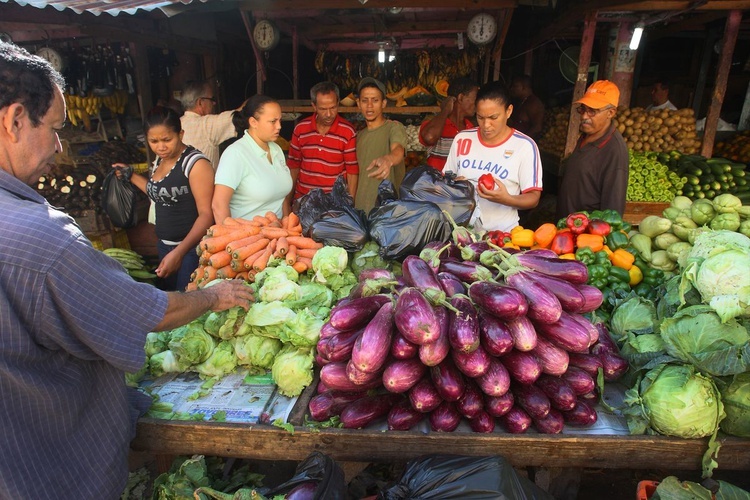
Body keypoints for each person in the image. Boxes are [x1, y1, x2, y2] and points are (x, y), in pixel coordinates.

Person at [0, 41, 254, 499]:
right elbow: (143, 313)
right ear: (15, 120)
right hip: (48, 471)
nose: (59, 145)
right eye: (55, 128)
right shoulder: (43, 239)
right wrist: (212, 296)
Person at [113, 107, 214, 291]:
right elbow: (158, 194)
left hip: (191, 250)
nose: (161, 147)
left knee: (186, 305)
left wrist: (179, 253)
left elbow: (206, 215)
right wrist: (131, 175)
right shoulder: (160, 161)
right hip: (165, 247)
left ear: (181, 134)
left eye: (167, 140)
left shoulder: (195, 164)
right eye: (154, 141)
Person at [444, 81, 543, 232]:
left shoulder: (524, 146)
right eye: (480, 117)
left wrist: (505, 199)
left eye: (493, 117)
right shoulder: (462, 139)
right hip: (462, 233)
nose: (486, 125)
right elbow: (445, 181)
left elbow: (533, 198)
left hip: (502, 236)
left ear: (509, 111)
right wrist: (456, 186)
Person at [212, 95, 292, 223]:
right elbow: (218, 205)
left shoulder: (276, 150)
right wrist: (231, 237)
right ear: (253, 122)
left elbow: (282, 197)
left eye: (280, 121)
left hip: (277, 235)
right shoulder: (235, 154)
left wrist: (288, 227)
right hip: (247, 238)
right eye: (273, 121)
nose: (279, 126)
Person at [556, 80, 629, 219]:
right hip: (567, 228)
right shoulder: (587, 135)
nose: (584, 116)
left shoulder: (614, 151)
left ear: (611, 112)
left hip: (585, 234)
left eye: (592, 111)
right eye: (583, 109)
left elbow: (613, 210)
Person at [287, 81, 358, 200]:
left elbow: (352, 172)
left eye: (333, 107)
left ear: (338, 103)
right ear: (314, 106)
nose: (329, 114)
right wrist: (287, 204)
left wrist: (350, 207)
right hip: (303, 200)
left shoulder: (348, 132)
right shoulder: (301, 129)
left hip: (333, 204)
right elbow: (293, 167)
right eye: (323, 109)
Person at [354, 77, 407, 212]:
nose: (370, 106)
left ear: (384, 103)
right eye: (365, 101)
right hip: (361, 210)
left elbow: (398, 150)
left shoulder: (394, 127)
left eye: (375, 100)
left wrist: (388, 160)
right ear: (358, 104)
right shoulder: (359, 136)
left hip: (388, 213)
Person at [179, 80, 245, 169]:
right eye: (212, 99)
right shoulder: (206, 125)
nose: (214, 103)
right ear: (200, 102)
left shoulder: (175, 123)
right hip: (205, 182)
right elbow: (242, 113)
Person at [418, 77, 478, 172]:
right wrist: (445, 110)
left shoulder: (471, 128)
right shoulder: (436, 124)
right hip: (436, 185)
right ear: (461, 98)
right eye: (475, 98)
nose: (477, 103)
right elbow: (429, 137)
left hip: (460, 185)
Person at [508, 74, 546, 140]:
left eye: (515, 86)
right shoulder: (521, 101)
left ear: (524, 87)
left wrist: (523, 142)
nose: (512, 89)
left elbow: (537, 128)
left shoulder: (533, 103)